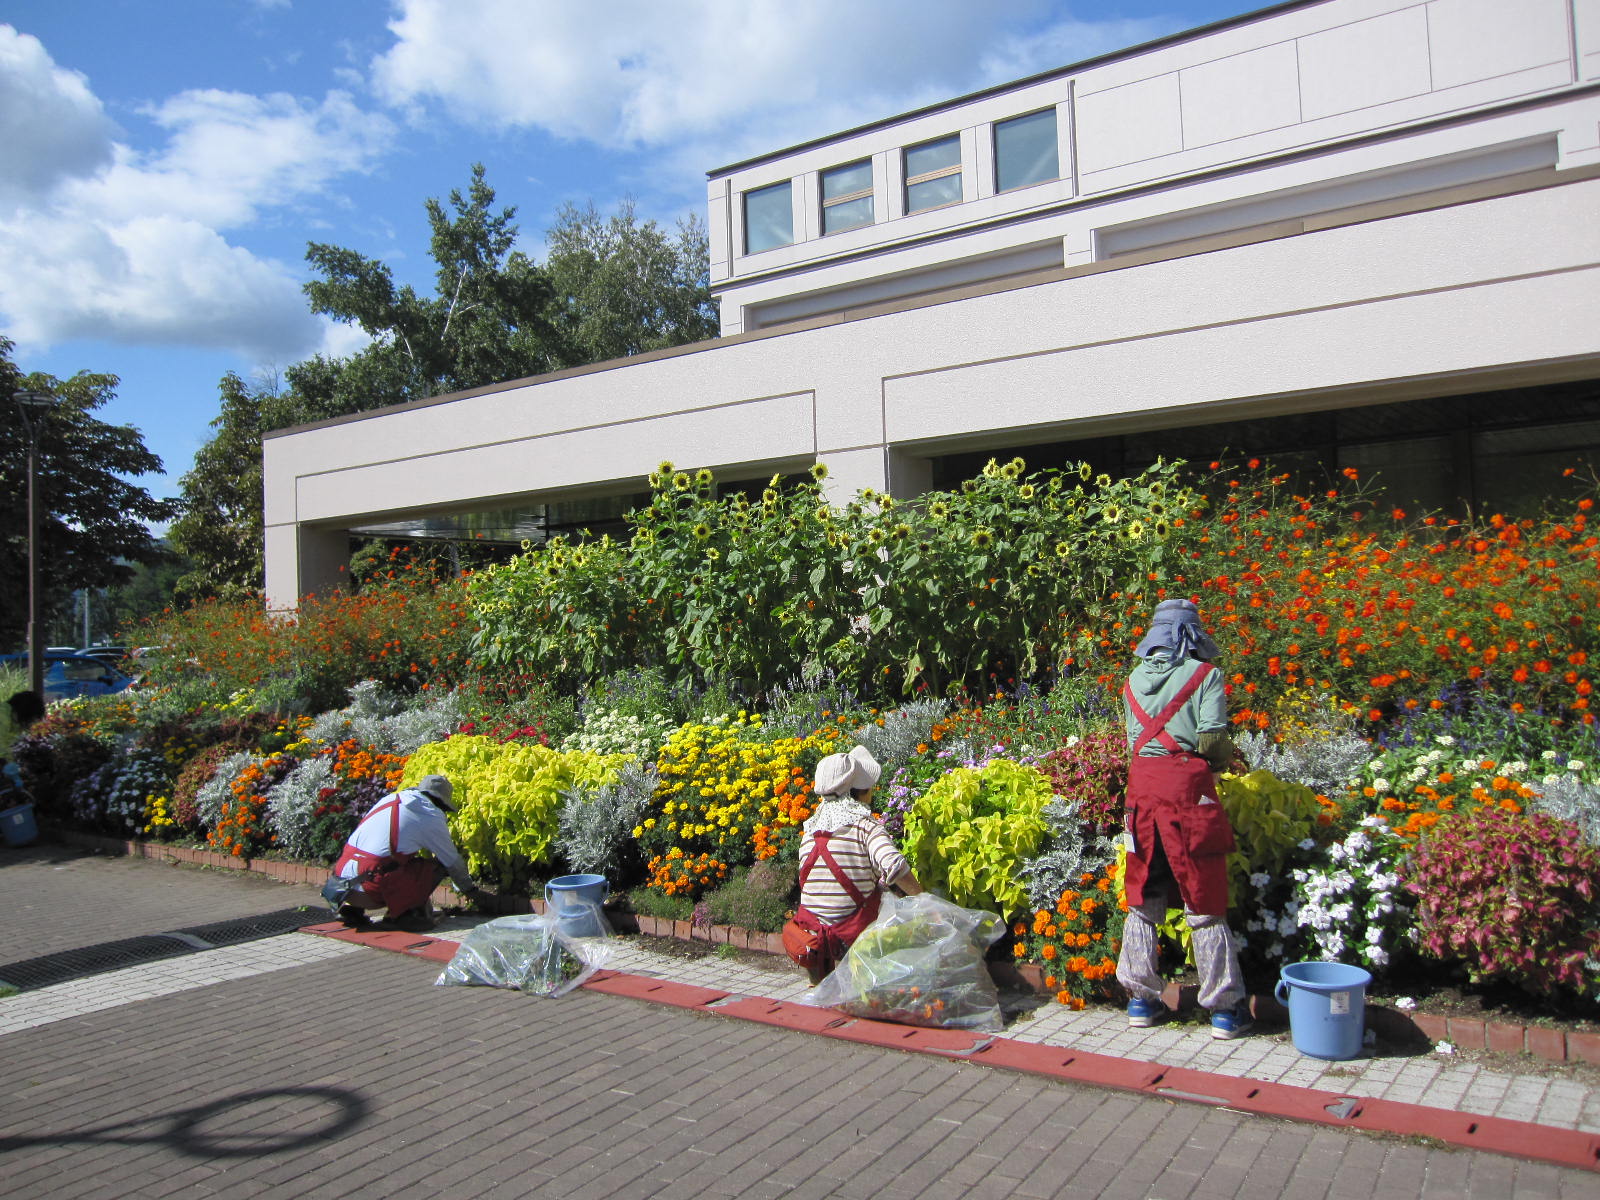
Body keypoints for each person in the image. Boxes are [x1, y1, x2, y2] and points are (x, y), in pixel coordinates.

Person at [1115, 598, 1253, 1039]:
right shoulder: (1205, 675)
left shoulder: (1132, 680)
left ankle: (1140, 999)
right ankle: (1224, 1009)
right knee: (1203, 894)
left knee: (1143, 891)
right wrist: (1220, 763)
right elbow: (1211, 740)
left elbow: (1133, 742)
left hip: (1141, 794)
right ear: (1192, 635)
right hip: (1188, 794)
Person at [791, 744, 923, 984]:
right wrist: (923, 900)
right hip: (850, 935)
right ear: (861, 791)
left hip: (812, 938)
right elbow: (894, 866)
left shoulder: (810, 831)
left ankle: (820, 986)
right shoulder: (865, 827)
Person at [322, 774, 489, 932]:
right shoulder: (429, 815)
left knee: (391, 860)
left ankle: (353, 910)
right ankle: (404, 913)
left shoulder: (391, 799)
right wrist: (471, 892)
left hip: (340, 885)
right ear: (440, 802)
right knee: (437, 867)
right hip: (370, 890)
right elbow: (452, 862)